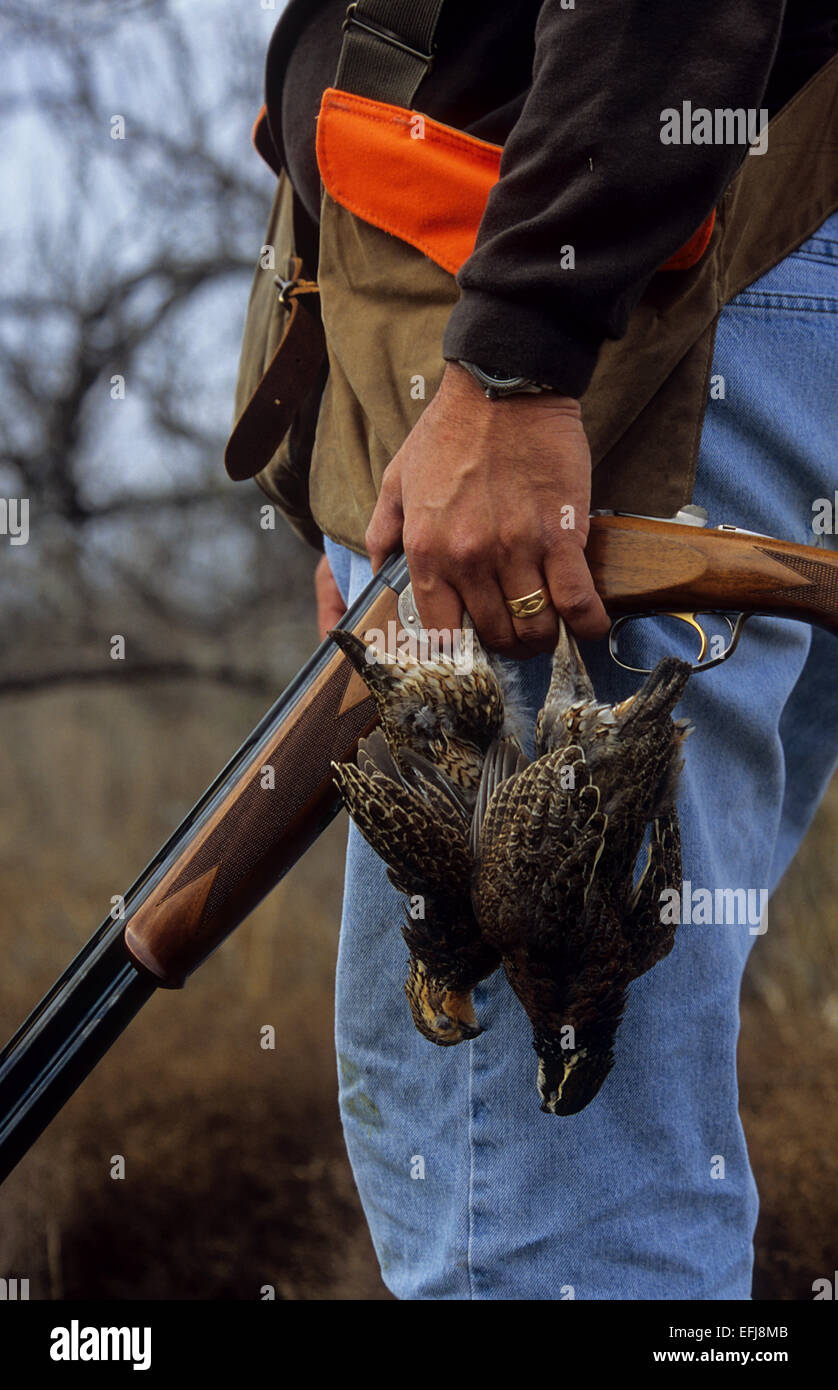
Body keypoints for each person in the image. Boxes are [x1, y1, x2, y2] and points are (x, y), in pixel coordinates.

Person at [239, 2, 838, 1298]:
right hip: (712, 271)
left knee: (529, 1223)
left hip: (631, 317)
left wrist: (518, 360)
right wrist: (345, 478)